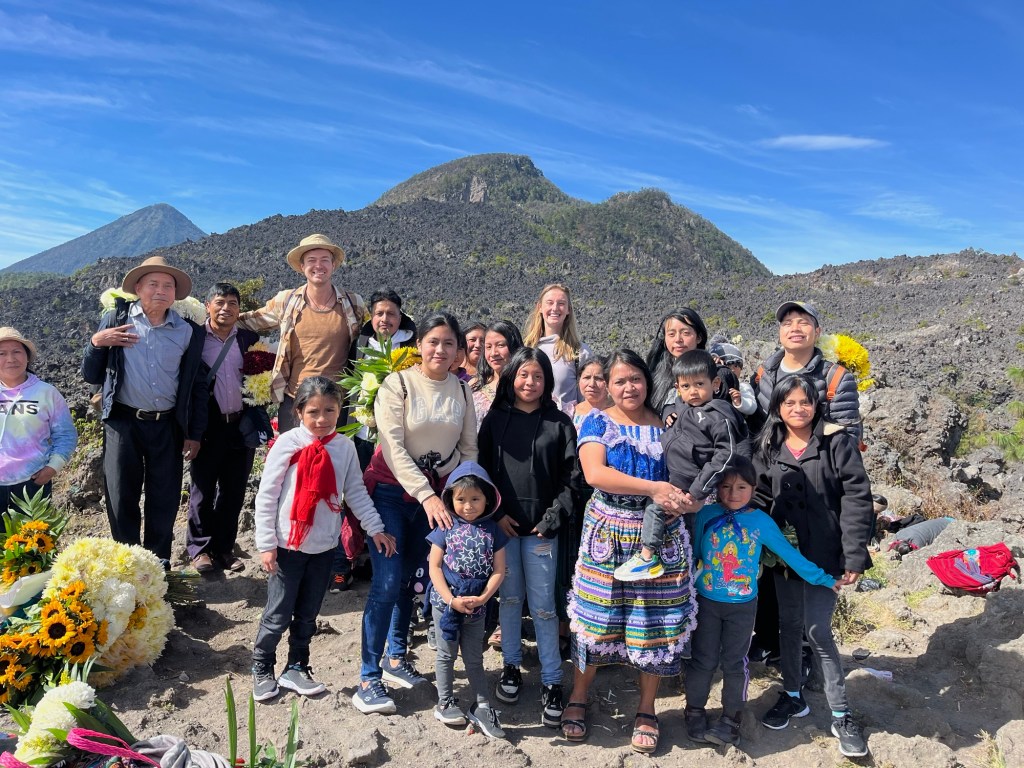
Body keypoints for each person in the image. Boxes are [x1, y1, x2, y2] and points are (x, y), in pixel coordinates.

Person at [563, 349, 697, 754]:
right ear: (607, 385)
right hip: (608, 532)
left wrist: (687, 499)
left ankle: (646, 709)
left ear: (647, 381)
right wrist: (654, 489)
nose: (629, 387)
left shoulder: (667, 422)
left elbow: (690, 469)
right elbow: (595, 473)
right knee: (595, 615)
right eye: (619, 381)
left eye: (635, 379)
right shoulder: (597, 421)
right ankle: (579, 696)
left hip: (661, 535)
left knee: (653, 619)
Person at [354, 312, 477, 716]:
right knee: (387, 581)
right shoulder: (398, 384)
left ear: (458, 351)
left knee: (409, 578)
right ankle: (368, 678)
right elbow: (391, 446)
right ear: (419, 344)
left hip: (437, 497)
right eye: (433, 341)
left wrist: (458, 493)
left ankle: (396, 657)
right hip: (393, 493)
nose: (440, 350)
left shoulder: (462, 391)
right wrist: (426, 494)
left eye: (448, 343)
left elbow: (468, 449)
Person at [251, 377, 396, 702]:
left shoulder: (343, 447)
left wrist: (375, 528)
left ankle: (297, 666)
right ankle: (262, 666)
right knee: (278, 612)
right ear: (299, 411)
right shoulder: (288, 444)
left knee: (308, 612)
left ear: (339, 410)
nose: (322, 419)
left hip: (324, 546)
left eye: (329, 410)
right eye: (313, 412)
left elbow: (354, 491)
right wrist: (266, 544)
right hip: (287, 545)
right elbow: (268, 495)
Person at [753, 375, 873, 758]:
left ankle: (841, 714)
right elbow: (756, 495)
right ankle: (793, 695)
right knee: (788, 626)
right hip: (786, 557)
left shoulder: (836, 441)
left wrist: (854, 554)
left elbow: (857, 497)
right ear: (777, 407)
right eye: (789, 403)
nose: (797, 409)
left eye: (804, 402)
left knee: (818, 630)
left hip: (826, 555)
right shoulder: (768, 445)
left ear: (816, 404)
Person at [683, 457, 839, 747]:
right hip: (706, 603)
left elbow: (789, 555)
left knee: (734, 662)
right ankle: (694, 711)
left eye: (741, 487)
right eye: (726, 486)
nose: (733, 493)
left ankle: (731, 718)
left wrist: (824, 579)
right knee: (703, 659)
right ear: (716, 488)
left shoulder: (761, 522)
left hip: (742, 606)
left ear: (753, 489)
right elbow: (694, 554)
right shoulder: (706, 514)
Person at [82, 256, 209, 565]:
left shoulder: (187, 331)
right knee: (121, 496)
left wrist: (193, 433)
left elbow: (195, 385)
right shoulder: (116, 319)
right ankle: (127, 566)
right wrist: (96, 343)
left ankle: (156, 568)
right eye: (153, 284)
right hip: (123, 422)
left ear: (176, 294)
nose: (160, 291)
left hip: (167, 425)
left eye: (168, 285)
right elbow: (90, 374)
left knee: (164, 498)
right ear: (138, 288)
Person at [478, 347, 579, 728]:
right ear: (511, 377)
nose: (530, 382)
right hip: (503, 530)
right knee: (509, 599)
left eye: (538, 376)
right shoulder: (495, 420)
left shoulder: (559, 423)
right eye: (523, 375)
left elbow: (572, 479)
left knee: (543, 607)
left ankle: (552, 680)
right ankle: (511, 666)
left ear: (547, 381)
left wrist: (551, 519)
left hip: (542, 532)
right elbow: (482, 473)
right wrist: (496, 514)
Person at [615, 350, 750, 581]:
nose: (693, 392)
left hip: (690, 479)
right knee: (685, 525)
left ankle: (647, 557)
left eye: (699, 384)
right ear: (678, 387)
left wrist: (697, 490)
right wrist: (669, 411)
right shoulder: (686, 406)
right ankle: (695, 562)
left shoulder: (718, 415)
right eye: (686, 386)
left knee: (658, 507)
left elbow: (725, 454)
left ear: (715, 384)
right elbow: (675, 406)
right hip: (676, 474)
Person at [330, 288, 417, 594]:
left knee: (388, 499)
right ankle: (342, 564)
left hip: (396, 440)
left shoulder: (412, 346)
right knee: (353, 496)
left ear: (401, 317)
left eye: (391, 313)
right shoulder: (361, 342)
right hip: (361, 434)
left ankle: (385, 564)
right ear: (371, 315)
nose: (385, 319)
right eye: (379, 313)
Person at [238, 234, 367, 432]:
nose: (318, 266)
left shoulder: (352, 302)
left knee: (336, 452)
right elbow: (253, 321)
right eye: (312, 260)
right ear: (302, 266)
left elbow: (373, 334)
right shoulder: (287, 301)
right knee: (295, 453)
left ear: (333, 265)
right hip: (295, 400)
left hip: (338, 402)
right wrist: (213, 320)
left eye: (325, 260)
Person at [427, 462, 507, 738]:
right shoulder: (445, 527)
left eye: (475, 499)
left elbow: (499, 570)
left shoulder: (493, 531)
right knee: (446, 654)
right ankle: (445, 702)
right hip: (445, 605)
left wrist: (483, 598)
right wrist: (450, 600)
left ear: (488, 499)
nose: (468, 506)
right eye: (461, 499)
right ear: (450, 499)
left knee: (474, 658)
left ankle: (482, 705)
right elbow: (434, 567)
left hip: (476, 607)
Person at [186, 284, 262, 573]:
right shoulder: (194, 338)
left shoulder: (248, 339)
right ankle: (199, 549)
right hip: (207, 426)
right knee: (202, 489)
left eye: (232, 303)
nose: (226, 308)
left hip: (240, 425)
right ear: (207, 306)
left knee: (234, 491)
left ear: (239, 309)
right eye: (219, 302)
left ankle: (224, 549)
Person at [750, 301, 860, 435]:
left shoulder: (836, 378)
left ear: (817, 332)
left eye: (803, 323)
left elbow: (848, 436)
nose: (795, 328)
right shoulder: (763, 373)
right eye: (787, 323)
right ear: (780, 332)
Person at [0, 327, 77, 512]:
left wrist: (52, 468)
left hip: (32, 483)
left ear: (27, 357)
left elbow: (65, 435)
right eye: (2, 353)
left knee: (32, 532)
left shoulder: (46, 393)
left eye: (17, 352)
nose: (10, 359)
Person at [522, 283, 591, 415]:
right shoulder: (525, 349)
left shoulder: (580, 352)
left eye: (561, 303)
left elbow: (588, 400)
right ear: (540, 307)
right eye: (550, 302)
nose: (555, 308)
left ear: (568, 310)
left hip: (565, 425)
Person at [646, 309, 708, 419]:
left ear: (699, 337)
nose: (678, 339)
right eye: (671, 334)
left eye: (685, 333)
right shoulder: (653, 377)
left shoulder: (711, 371)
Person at [471, 320, 523, 425]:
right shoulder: (475, 386)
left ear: (514, 346)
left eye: (500, 345)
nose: (493, 353)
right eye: (488, 347)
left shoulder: (527, 386)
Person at [710, 341, 756, 416]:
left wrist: (739, 401)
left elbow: (752, 408)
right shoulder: (708, 385)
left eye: (736, 365)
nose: (732, 370)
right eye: (726, 365)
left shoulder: (743, 387)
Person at [572, 355, 611, 429]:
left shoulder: (619, 415)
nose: (592, 384)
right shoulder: (570, 413)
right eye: (587, 377)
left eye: (598, 378)